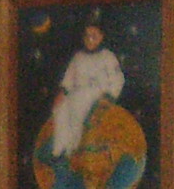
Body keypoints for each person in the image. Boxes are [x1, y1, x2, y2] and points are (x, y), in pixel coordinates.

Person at [46, 17, 125, 162]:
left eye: (94, 36)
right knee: (60, 108)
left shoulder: (108, 56)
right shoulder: (78, 57)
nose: (90, 40)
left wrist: (109, 97)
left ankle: (74, 148)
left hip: (98, 93)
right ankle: (59, 149)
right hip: (77, 92)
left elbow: (117, 80)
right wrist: (63, 92)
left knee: (77, 105)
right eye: (87, 36)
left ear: (101, 37)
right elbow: (69, 78)